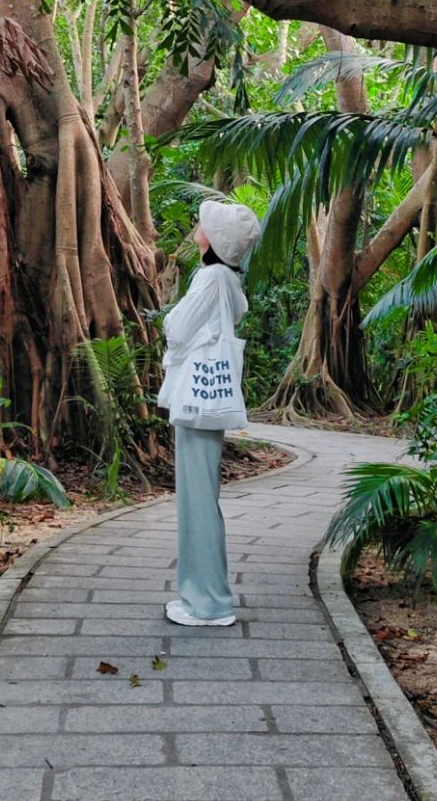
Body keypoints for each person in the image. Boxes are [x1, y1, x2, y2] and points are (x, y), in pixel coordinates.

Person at [156, 198, 262, 627]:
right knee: (201, 499)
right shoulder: (225, 279)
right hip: (204, 403)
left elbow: (177, 327)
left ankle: (210, 603)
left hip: (198, 405)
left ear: (215, 240)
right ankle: (201, 596)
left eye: (203, 223)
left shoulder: (212, 277)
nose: (197, 225)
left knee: (198, 502)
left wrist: (171, 320)